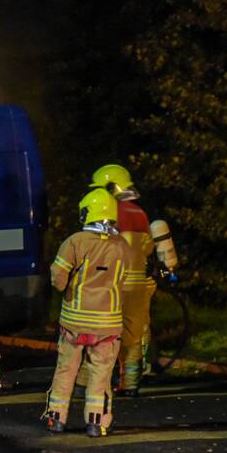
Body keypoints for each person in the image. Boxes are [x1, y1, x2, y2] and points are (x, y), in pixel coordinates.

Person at [44, 188, 131, 437]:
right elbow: (123, 280)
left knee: (66, 371)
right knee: (101, 377)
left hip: (75, 323)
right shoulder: (122, 246)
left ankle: (56, 419)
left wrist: (67, 290)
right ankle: (96, 423)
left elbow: (57, 278)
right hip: (108, 326)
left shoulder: (75, 242)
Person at [85, 164, 156, 397]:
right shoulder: (141, 214)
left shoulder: (107, 212)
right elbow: (147, 249)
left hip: (113, 284)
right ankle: (131, 385)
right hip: (137, 285)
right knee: (133, 336)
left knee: (97, 334)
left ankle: (84, 384)